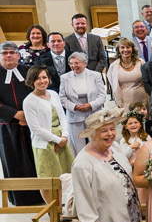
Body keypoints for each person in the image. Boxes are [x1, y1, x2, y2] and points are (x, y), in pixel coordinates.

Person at [72, 108, 145, 222]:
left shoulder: (115, 150)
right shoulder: (82, 163)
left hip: (132, 218)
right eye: (104, 130)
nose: (110, 134)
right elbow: (82, 197)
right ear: (92, 134)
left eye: (112, 129)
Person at [22, 66, 73, 200]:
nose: (42, 81)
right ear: (31, 81)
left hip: (62, 139)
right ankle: (52, 208)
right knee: (47, 179)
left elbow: (62, 117)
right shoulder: (29, 101)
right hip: (45, 144)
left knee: (64, 175)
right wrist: (58, 140)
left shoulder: (53, 94)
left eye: (44, 77)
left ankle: (62, 206)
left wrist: (64, 136)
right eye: (37, 78)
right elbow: (36, 129)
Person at [0, 42, 41, 205]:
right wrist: (14, 114)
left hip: (32, 125)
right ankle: (21, 198)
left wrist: (29, 115)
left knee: (36, 160)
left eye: (12, 52)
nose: (8, 56)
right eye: (4, 53)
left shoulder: (28, 72)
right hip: (8, 128)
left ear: (18, 55)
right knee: (14, 162)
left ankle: (41, 195)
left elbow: (40, 92)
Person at [60, 52, 106, 156]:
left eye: (76, 63)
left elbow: (102, 96)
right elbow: (62, 98)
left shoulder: (96, 75)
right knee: (77, 147)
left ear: (85, 63)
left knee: (96, 142)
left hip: (94, 114)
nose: (73, 66)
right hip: (74, 115)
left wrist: (91, 105)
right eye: (71, 63)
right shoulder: (64, 78)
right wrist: (75, 107)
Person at [108, 38, 148, 108]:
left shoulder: (140, 62)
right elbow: (113, 85)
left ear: (132, 49)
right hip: (124, 102)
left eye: (128, 47)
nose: (125, 50)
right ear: (118, 50)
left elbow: (147, 81)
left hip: (141, 100)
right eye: (122, 47)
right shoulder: (113, 66)